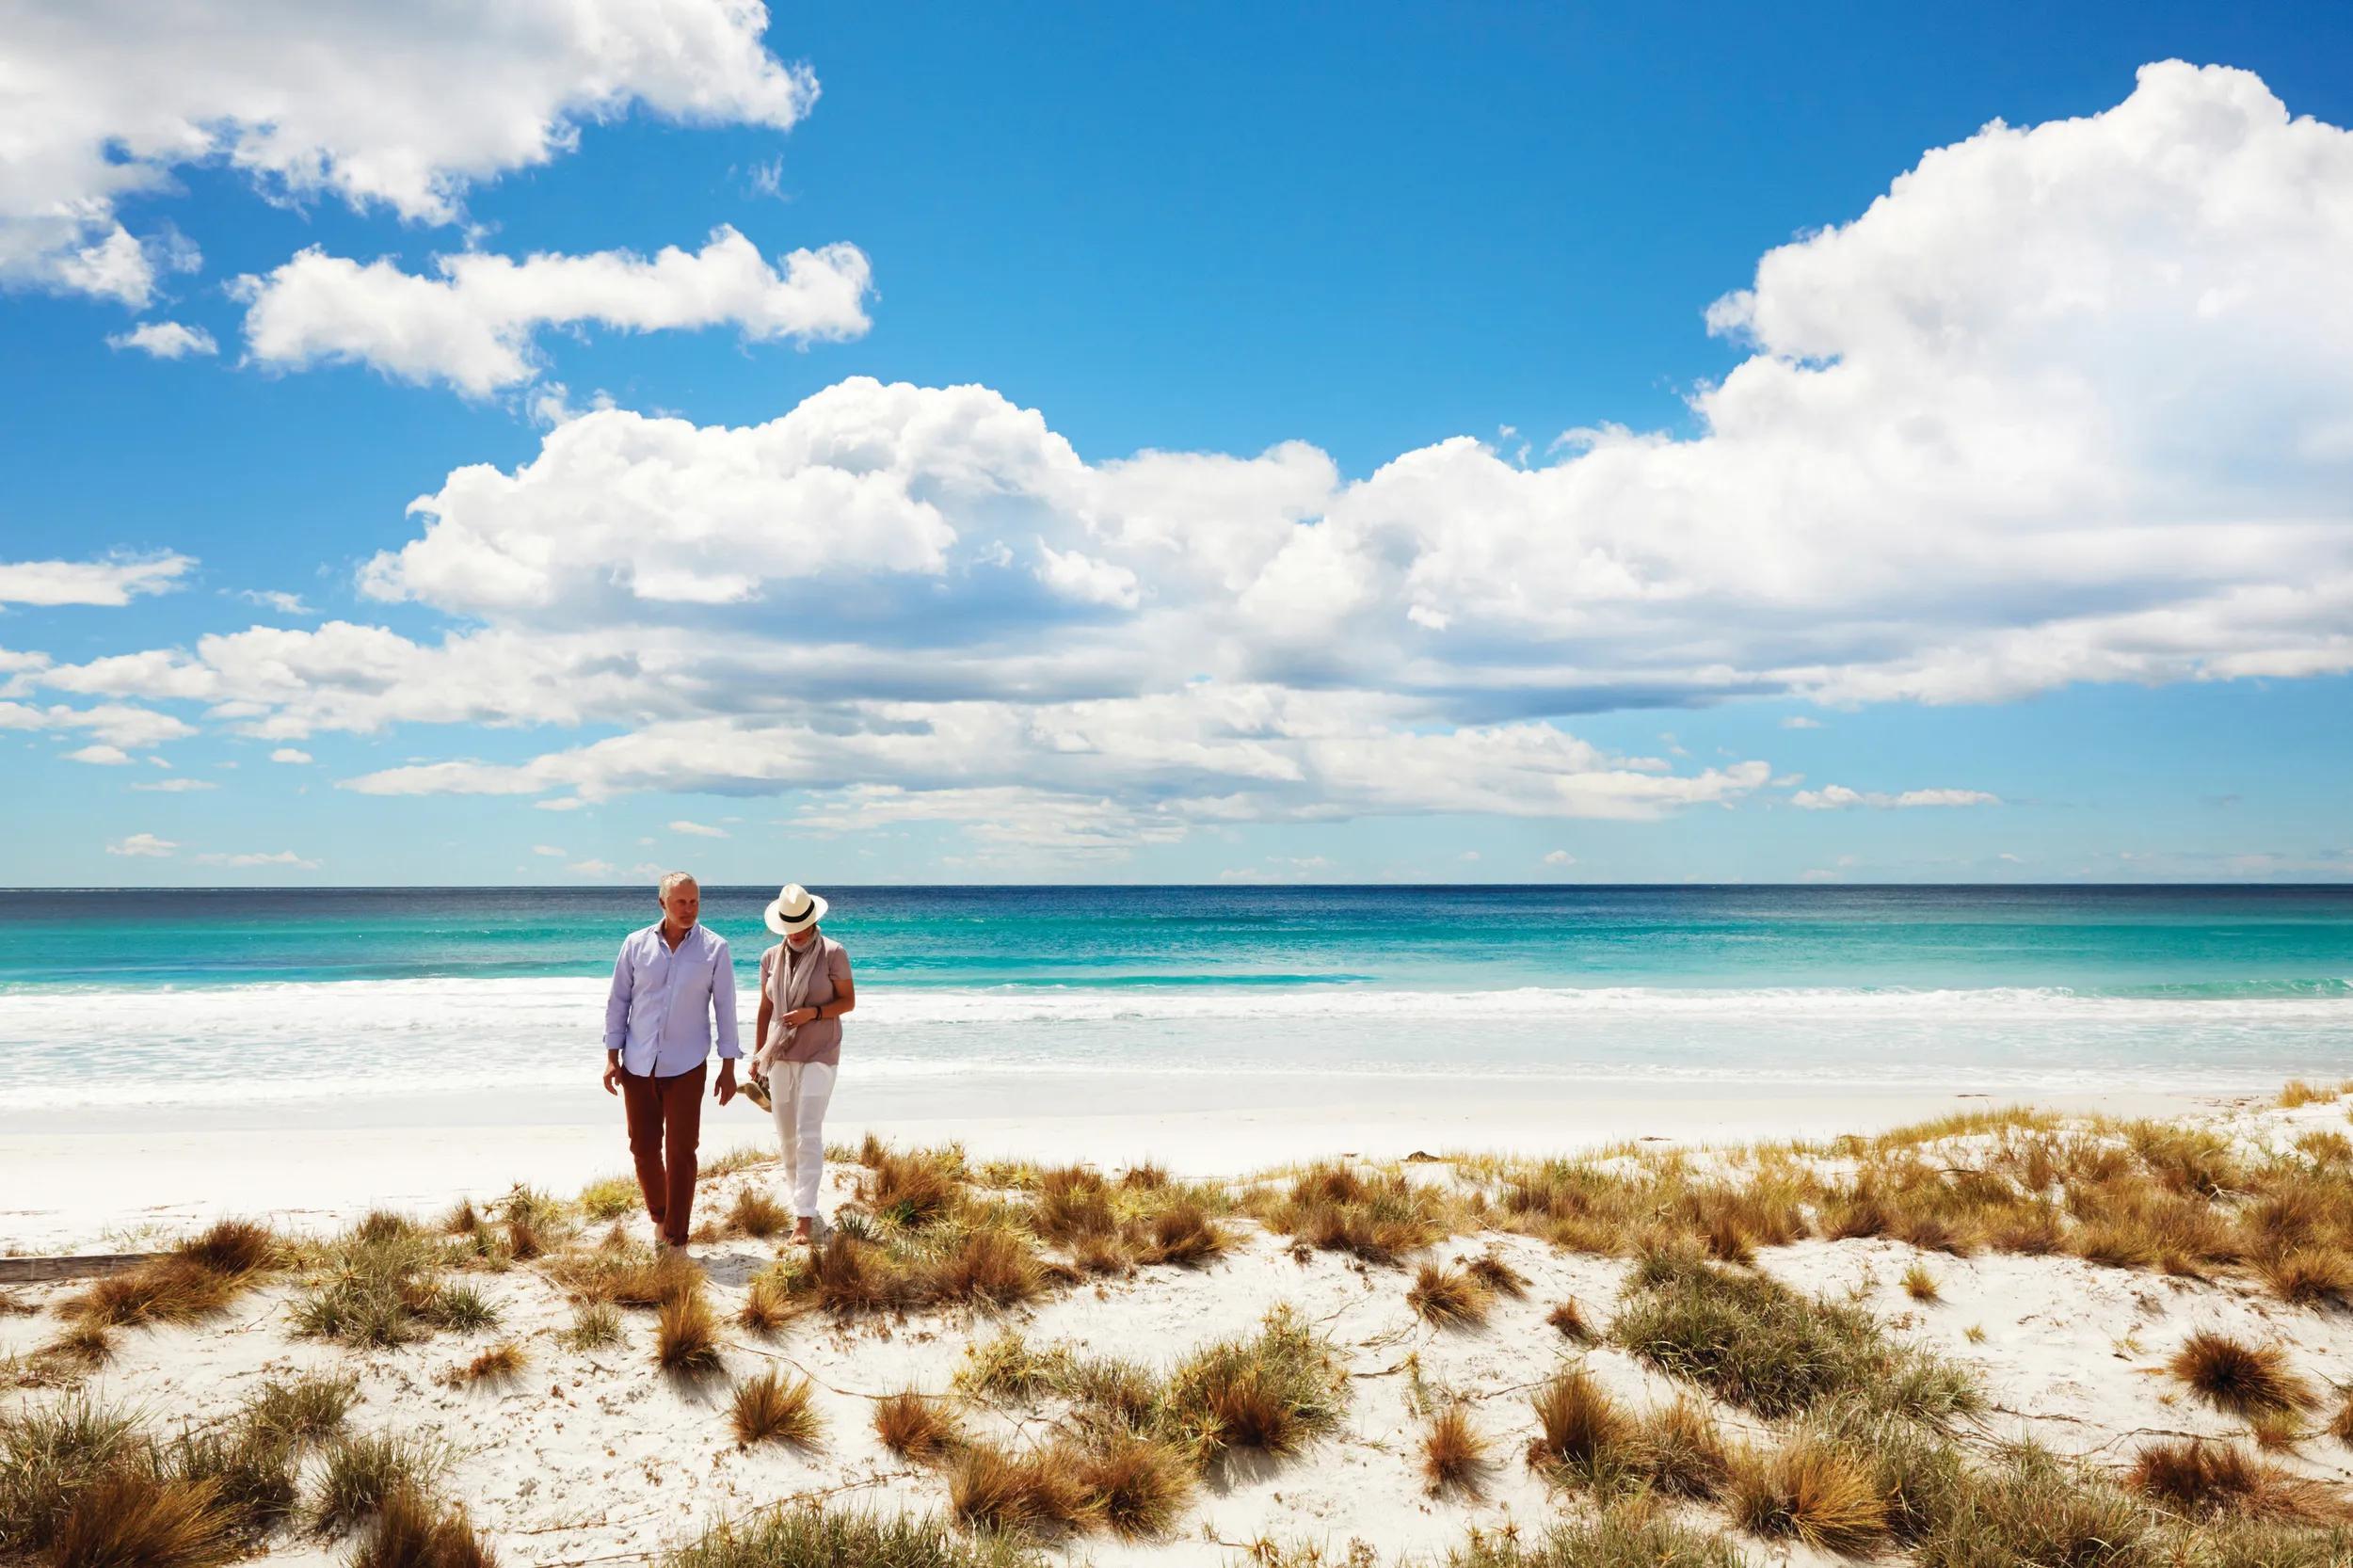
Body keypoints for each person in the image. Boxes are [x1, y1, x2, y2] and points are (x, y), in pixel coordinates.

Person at [602, 872, 739, 1250]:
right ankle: (660, 1216)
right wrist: (612, 1057)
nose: (689, 909)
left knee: (681, 1152)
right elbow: (619, 1002)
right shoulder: (635, 944)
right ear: (662, 903)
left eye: (694, 901)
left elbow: (725, 1009)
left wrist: (729, 1066)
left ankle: (677, 1236)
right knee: (643, 1149)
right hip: (638, 1063)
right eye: (680, 901)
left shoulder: (715, 948)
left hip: (687, 1065)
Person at [749, 883, 855, 1245]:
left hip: (821, 1052)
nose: (795, 932)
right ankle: (801, 1200)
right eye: (788, 926)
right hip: (779, 1054)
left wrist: (814, 1013)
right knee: (786, 1136)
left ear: (812, 921)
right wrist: (758, 1053)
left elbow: (848, 1002)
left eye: (800, 924)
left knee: (808, 1132)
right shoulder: (769, 958)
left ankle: (804, 1218)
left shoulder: (833, 953)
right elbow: (765, 1009)